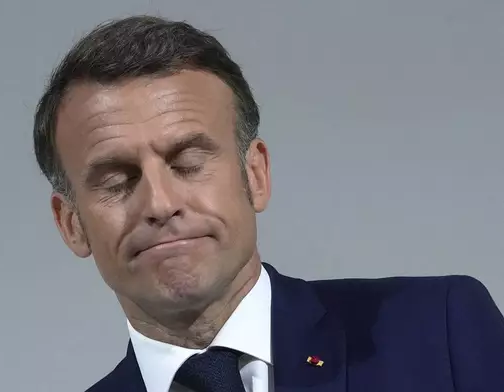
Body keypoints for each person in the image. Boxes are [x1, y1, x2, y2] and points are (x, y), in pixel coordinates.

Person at [32, 15, 504, 392]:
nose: (160, 203)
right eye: (117, 181)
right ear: (71, 224)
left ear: (255, 175)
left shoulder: (440, 333)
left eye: (189, 163)